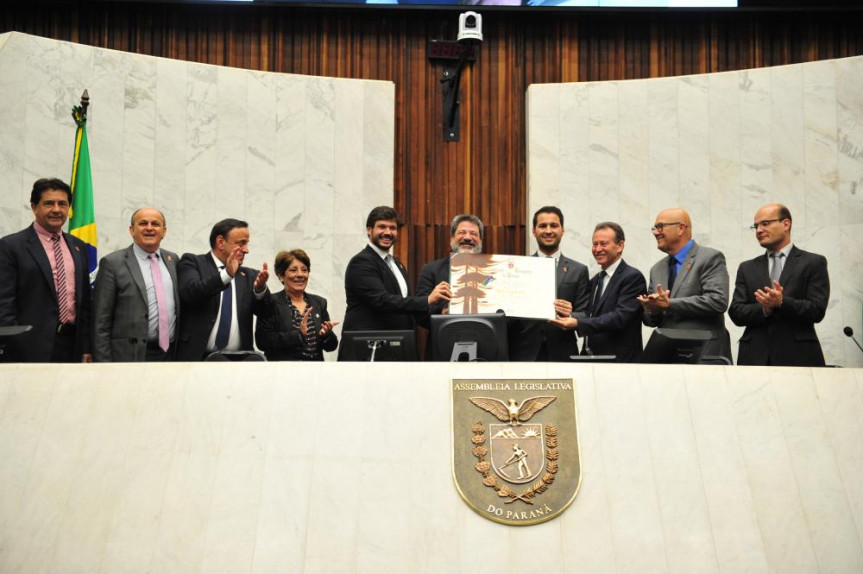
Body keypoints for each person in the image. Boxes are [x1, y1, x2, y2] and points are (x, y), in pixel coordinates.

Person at [0, 178, 92, 362]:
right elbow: (4, 302)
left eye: (62, 204)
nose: (57, 209)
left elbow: (85, 303)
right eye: (49, 203)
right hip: (28, 346)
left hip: (72, 346)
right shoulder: (11, 246)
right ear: (34, 207)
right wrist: (13, 344)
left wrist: (86, 346)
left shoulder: (79, 247)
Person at [729, 203, 829, 366]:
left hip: (799, 356)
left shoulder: (813, 262)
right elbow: (736, 312)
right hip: (754, 357)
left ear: (786, 224)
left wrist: (782, 302)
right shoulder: (747, 267)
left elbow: (817, 310)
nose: (759, 230)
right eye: (756, 226)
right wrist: (765, 308)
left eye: (765, 223)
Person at [340, 206, 450, 338]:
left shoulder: (397, 264)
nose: (388, 232)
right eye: (382, 227)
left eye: (392, 228)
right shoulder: (361, 262)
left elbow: (405, 305)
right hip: (368, 347)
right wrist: (427, 300)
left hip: (397, 343)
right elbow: (382, 300)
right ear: (369, 230)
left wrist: (442, 312)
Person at [638, 207, 731, 363]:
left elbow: (718, 301)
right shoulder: (657, 269)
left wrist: (669, 304)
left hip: (705, 353)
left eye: (660, 226)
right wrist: (652, 309)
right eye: (654, 228)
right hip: (668, 358)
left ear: (681, 228)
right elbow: (650, 320)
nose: (655, 232)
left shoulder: (710, 258)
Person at [549, 222, 646, 362]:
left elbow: (620, 318)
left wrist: (577, 323)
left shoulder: (632, 277)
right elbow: (590, 314)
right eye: (595, 244)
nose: (598, 249)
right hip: (592, 359)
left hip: (621, 362)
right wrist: (568, 313)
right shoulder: (596, 280)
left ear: (620, 246)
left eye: (603, 244)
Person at [92, 208, 180, 362]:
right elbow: (101, 319)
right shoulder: (112, 263)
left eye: (155, 224)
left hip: (170, 354)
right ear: (132, 230)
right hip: (129, 355)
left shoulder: (173, 260)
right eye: (143, 223)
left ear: (164, 232)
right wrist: (103, 363)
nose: (149, 228)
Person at [176, 218, 271, 360]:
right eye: (241, 243)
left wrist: (260, 290)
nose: (246, 250)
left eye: (246, 243)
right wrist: (226, 275)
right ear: (220, 242)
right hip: (197, 359)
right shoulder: (192, 262)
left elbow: (266, 313)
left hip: (240, 360)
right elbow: (191, 293)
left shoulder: (249, 275)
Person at [510, 206, 589, 361]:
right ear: (533, 231)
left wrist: (571, 315)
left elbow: (585, 313)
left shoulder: (578, 270)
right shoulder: (519, 268)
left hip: (563, 352)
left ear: (562, 230)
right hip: (524, 352)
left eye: (554, 225)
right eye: (542, 226)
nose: (548, 231)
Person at [416, 214, 483, 355]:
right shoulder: (431, 270)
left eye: (473, 234)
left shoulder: (494, 271)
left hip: (485, 347)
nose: (467, 237)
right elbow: (419, 316)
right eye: (461, 232)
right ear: (451, 239)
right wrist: (442, 313)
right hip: (443, 349)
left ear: (481, 240)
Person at [256, 249, 339, 361]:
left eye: (304, 270)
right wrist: (298, 335)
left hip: (315, 372)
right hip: (284, 371)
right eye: (293, 270)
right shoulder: (271, 302)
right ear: (280, 275)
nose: (300, 275)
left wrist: (326, 335)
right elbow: (263, 341)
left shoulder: (319, 303)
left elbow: (331, 346)